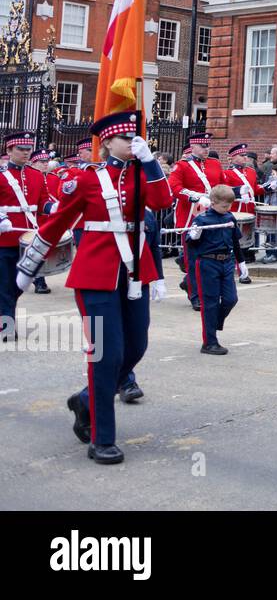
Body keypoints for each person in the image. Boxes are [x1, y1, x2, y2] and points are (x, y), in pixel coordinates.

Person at [15, 111, 172, 465]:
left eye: (136, 138)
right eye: (126, 139)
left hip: (134, 274)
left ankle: (86, 399)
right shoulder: (83, 179)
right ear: (108, 143)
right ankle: (102, 437)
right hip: (96, 276)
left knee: (137, 346)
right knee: (106, 354)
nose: (133, 143)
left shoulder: (143, 173)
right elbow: (58, 222)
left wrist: (149, 163)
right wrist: (28, 269)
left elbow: (163, 203)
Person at [186, 184, 247, 355]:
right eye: (224, 206)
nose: (227, 209)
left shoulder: (229, 217)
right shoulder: (202, 220)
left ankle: (215, 323)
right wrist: (193, 236)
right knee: (210, 304)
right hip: (207, 263)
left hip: (226, 262)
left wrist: (241, 263)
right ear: (213, 202)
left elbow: (235, 241)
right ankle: (209, 342)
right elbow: (191, 244)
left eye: (229, 206)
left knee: (230, 299)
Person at [169, 132, 223, 309]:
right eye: (203, 146)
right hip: (191, 218)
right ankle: (195, 295)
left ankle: (194, 285)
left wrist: (239, 192)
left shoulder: (215, 164)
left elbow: (222, 186)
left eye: (208, 146)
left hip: (212, 217)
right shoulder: (182, 166)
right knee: (193, 259)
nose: (206, 149)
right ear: (193, 147)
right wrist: (196, 197)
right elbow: (175, 188)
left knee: (210, 257)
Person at [0, 132, 55, 305]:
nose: (25, 152)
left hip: (29, 241)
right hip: (4, 240)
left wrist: (53, 208)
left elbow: (43, 201)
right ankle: (7, 330)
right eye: (20, 149)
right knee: (5, 288)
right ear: (9, 150)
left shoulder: (37, 175)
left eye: (28, 149)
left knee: (18, 288)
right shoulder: (1, 175)